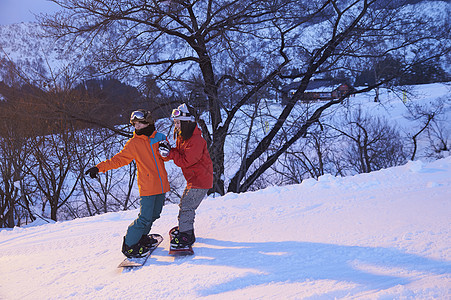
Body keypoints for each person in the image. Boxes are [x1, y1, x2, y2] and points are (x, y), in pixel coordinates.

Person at [85, 109, 170, 258]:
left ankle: (141, 238)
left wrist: (167, 151)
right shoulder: (133, 144)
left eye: (139, 123)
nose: (136, 126)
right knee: (144, 217)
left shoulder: (160, 137)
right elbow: (119, 159)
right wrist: (99, 168)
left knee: (154, 215)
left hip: (161, 184)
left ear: (148, 122)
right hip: (148, 186)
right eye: (134, 123)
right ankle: (130, 245)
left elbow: (166, 157)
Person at [158, 103, 213, 249]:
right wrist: (168, 151)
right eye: (175, 123)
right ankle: (186, 230)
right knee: (184, 205)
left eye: (178, 123)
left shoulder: (196, 140)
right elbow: (180, 154)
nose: (176, 126)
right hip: (193, 179)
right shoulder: (183, 137)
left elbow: (186, 160)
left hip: (200, 180)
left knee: (187, 207)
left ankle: (186, 235)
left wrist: (170, 153)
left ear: (186, 122)